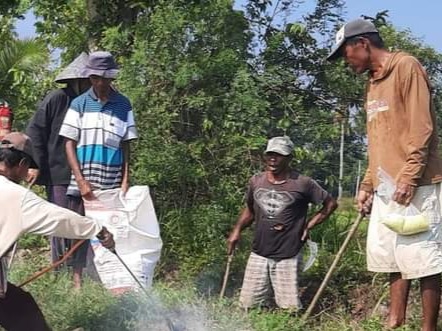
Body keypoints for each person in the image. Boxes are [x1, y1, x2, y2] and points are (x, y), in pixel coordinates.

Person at [327, 18, 442, 331]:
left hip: (417, 184)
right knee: (393, 257)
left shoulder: (407, 67)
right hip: (386, 187)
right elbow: (378, 140)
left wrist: (409, 176)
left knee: (423, 259)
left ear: (363, 44)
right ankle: (395, 320)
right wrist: (367, 184)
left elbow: (422, 128)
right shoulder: (373, 82)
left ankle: (428, 328)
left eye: (345, 53)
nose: (345, 61)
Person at [0, 132, 115, 331]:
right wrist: (98, 229)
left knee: (21, 306)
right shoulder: (17, 196)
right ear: (22, 163)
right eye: (28, 167)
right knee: (24, 312)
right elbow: (59, 218)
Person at [227, 136, 337, 310]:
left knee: (289, 308)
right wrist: (237, 230)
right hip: (260, 251)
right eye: (270, 154)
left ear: (289, 158)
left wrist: (309, 225)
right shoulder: (256, 181)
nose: (273, 158)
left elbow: (330, 204)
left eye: (279, 155)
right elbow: (250, 210)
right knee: (247, 304)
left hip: (289, 252)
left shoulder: (303, 183)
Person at [59, 51, 138, 287]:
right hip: (84, 179)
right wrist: (80, 179)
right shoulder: (79, 103)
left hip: (111, 180)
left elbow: (126, 144)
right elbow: (68, 143)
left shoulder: (123, 104)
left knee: (112, 229)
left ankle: (111, 278)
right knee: (81, 228)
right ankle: (77, 279)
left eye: (105, 78)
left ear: (112, 78)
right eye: (96, 78)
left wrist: (125, 179)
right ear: (90, 78)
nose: (101, 83)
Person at [25, 52, 91, 288]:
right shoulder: (57, 99)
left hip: (86, 173)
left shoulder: (93, 104)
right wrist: (34, 164)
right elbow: (36, 132)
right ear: (77, 80)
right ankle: (57, 271)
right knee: (59, 222)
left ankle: (77, 275)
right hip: (58, 173)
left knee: (82, 223)